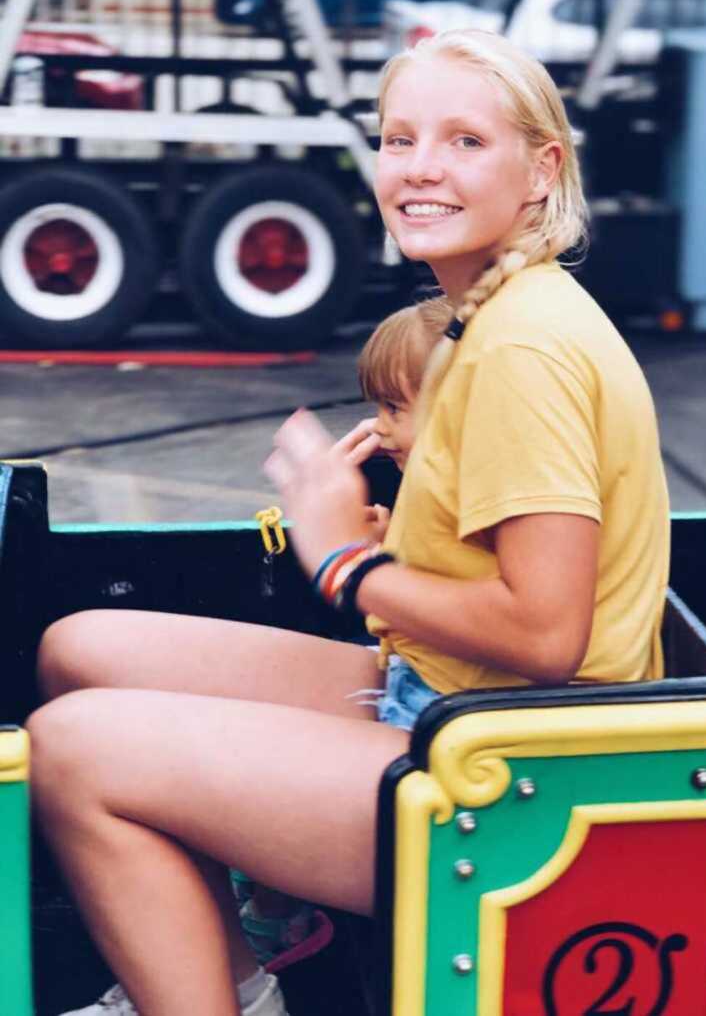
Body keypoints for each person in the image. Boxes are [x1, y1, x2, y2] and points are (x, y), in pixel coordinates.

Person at [27, 29, 670, 1016]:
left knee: (74, 747)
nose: (419, 168)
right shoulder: (491, 315)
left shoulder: (523, 349)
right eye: (399, 137)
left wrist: (344, 559)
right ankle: (220, 971)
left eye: (463, 142)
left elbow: (547, 634)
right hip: (445, 698)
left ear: (542, 170)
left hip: (522, 767)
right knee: (82, 648)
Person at [232, 294, 453, 970]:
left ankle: (277, 921)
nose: (377, 425)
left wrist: (351, 553)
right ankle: (269, 906)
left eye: (393, 409)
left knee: (262, 792)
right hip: (407, 686)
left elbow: (436, 594)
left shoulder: (464, 491)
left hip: (424, 712)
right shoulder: (426, 480)